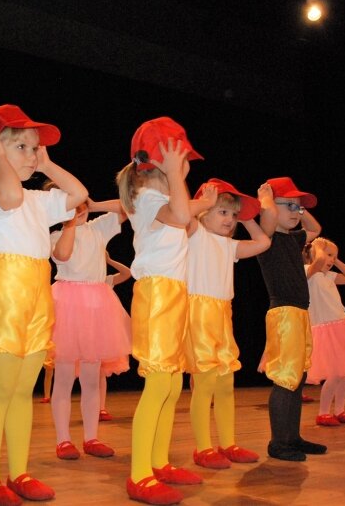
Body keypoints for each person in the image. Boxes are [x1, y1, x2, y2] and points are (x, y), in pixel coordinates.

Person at [0, 104, 87, 505]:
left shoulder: (39, 198)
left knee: (23, 391)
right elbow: (10, 196)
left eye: (35, 148)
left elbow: (79, 195)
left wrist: (47, 164)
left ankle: (18, 471)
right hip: (4, 290)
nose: (32, 154)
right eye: (22, 145)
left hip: (37, 291)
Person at [117, 117, 205, 505]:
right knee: (157, 385)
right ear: (163, 162)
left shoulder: (163, 200)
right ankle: (139, 474)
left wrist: (184, 187)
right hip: (156, 296)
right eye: (184, 160)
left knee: (170, 384)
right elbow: (185, 217)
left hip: (174, 295)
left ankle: (159, 461)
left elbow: (187, 223)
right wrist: (176, 175)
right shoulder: (149, 199)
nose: (188, 167)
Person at [185, 178, 271, 470]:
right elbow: (184, 214)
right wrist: (205, 202)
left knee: (225, 383)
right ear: (203, 212)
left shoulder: (230, 245)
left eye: (233, 214)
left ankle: (228, 442)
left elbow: (263, 242)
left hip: (222, 314)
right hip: (198, 312)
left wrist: (247, 218)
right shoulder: (195, 233)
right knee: (204, 382)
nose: (230, 219)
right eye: (222, 212)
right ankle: (203, 447)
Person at [49, 197, 131, 460]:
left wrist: (91, 206)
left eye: (79, 203)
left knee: (91, 379)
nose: (78, 209)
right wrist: (70, 221)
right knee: (62, 379)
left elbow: (128, 205)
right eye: (70, 204)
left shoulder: (98, 228)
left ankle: (91, 437)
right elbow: (63, 254)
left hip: (97, 305)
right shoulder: (54, 235)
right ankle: (63, 440)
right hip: (67, 304)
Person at [256, 176, 326, 462]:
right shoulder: (267, 238)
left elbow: (316, 228)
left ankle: (292, 437)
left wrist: (296, 206)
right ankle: (278, 443)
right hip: (283, 312)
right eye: (289, 206)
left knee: (297, 377)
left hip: (298, 311)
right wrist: (267, 199)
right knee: (285, 378)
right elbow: (269, 219)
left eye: (298, 208)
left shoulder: (294, 238)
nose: (296, 213)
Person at [304, 238, 345, 426]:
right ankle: (323, 412)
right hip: (324, 329)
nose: (331, 259)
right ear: (314, 254)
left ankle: (340, 410)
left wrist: (336, 259)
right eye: (328, 255)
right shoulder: (307, 272)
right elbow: (316, 263)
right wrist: (318, 250)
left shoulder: (329, 276)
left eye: (334, 256)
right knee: (334, 373)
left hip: (341, 326)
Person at [99, 251, 133, 421]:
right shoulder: (83, 281)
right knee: (88, 373)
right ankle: (90, 406)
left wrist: (109, 259)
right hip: (86, 331)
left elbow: (127, 273)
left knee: (100, 372)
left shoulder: (106, 280)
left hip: (103, 332)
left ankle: (101, 408)